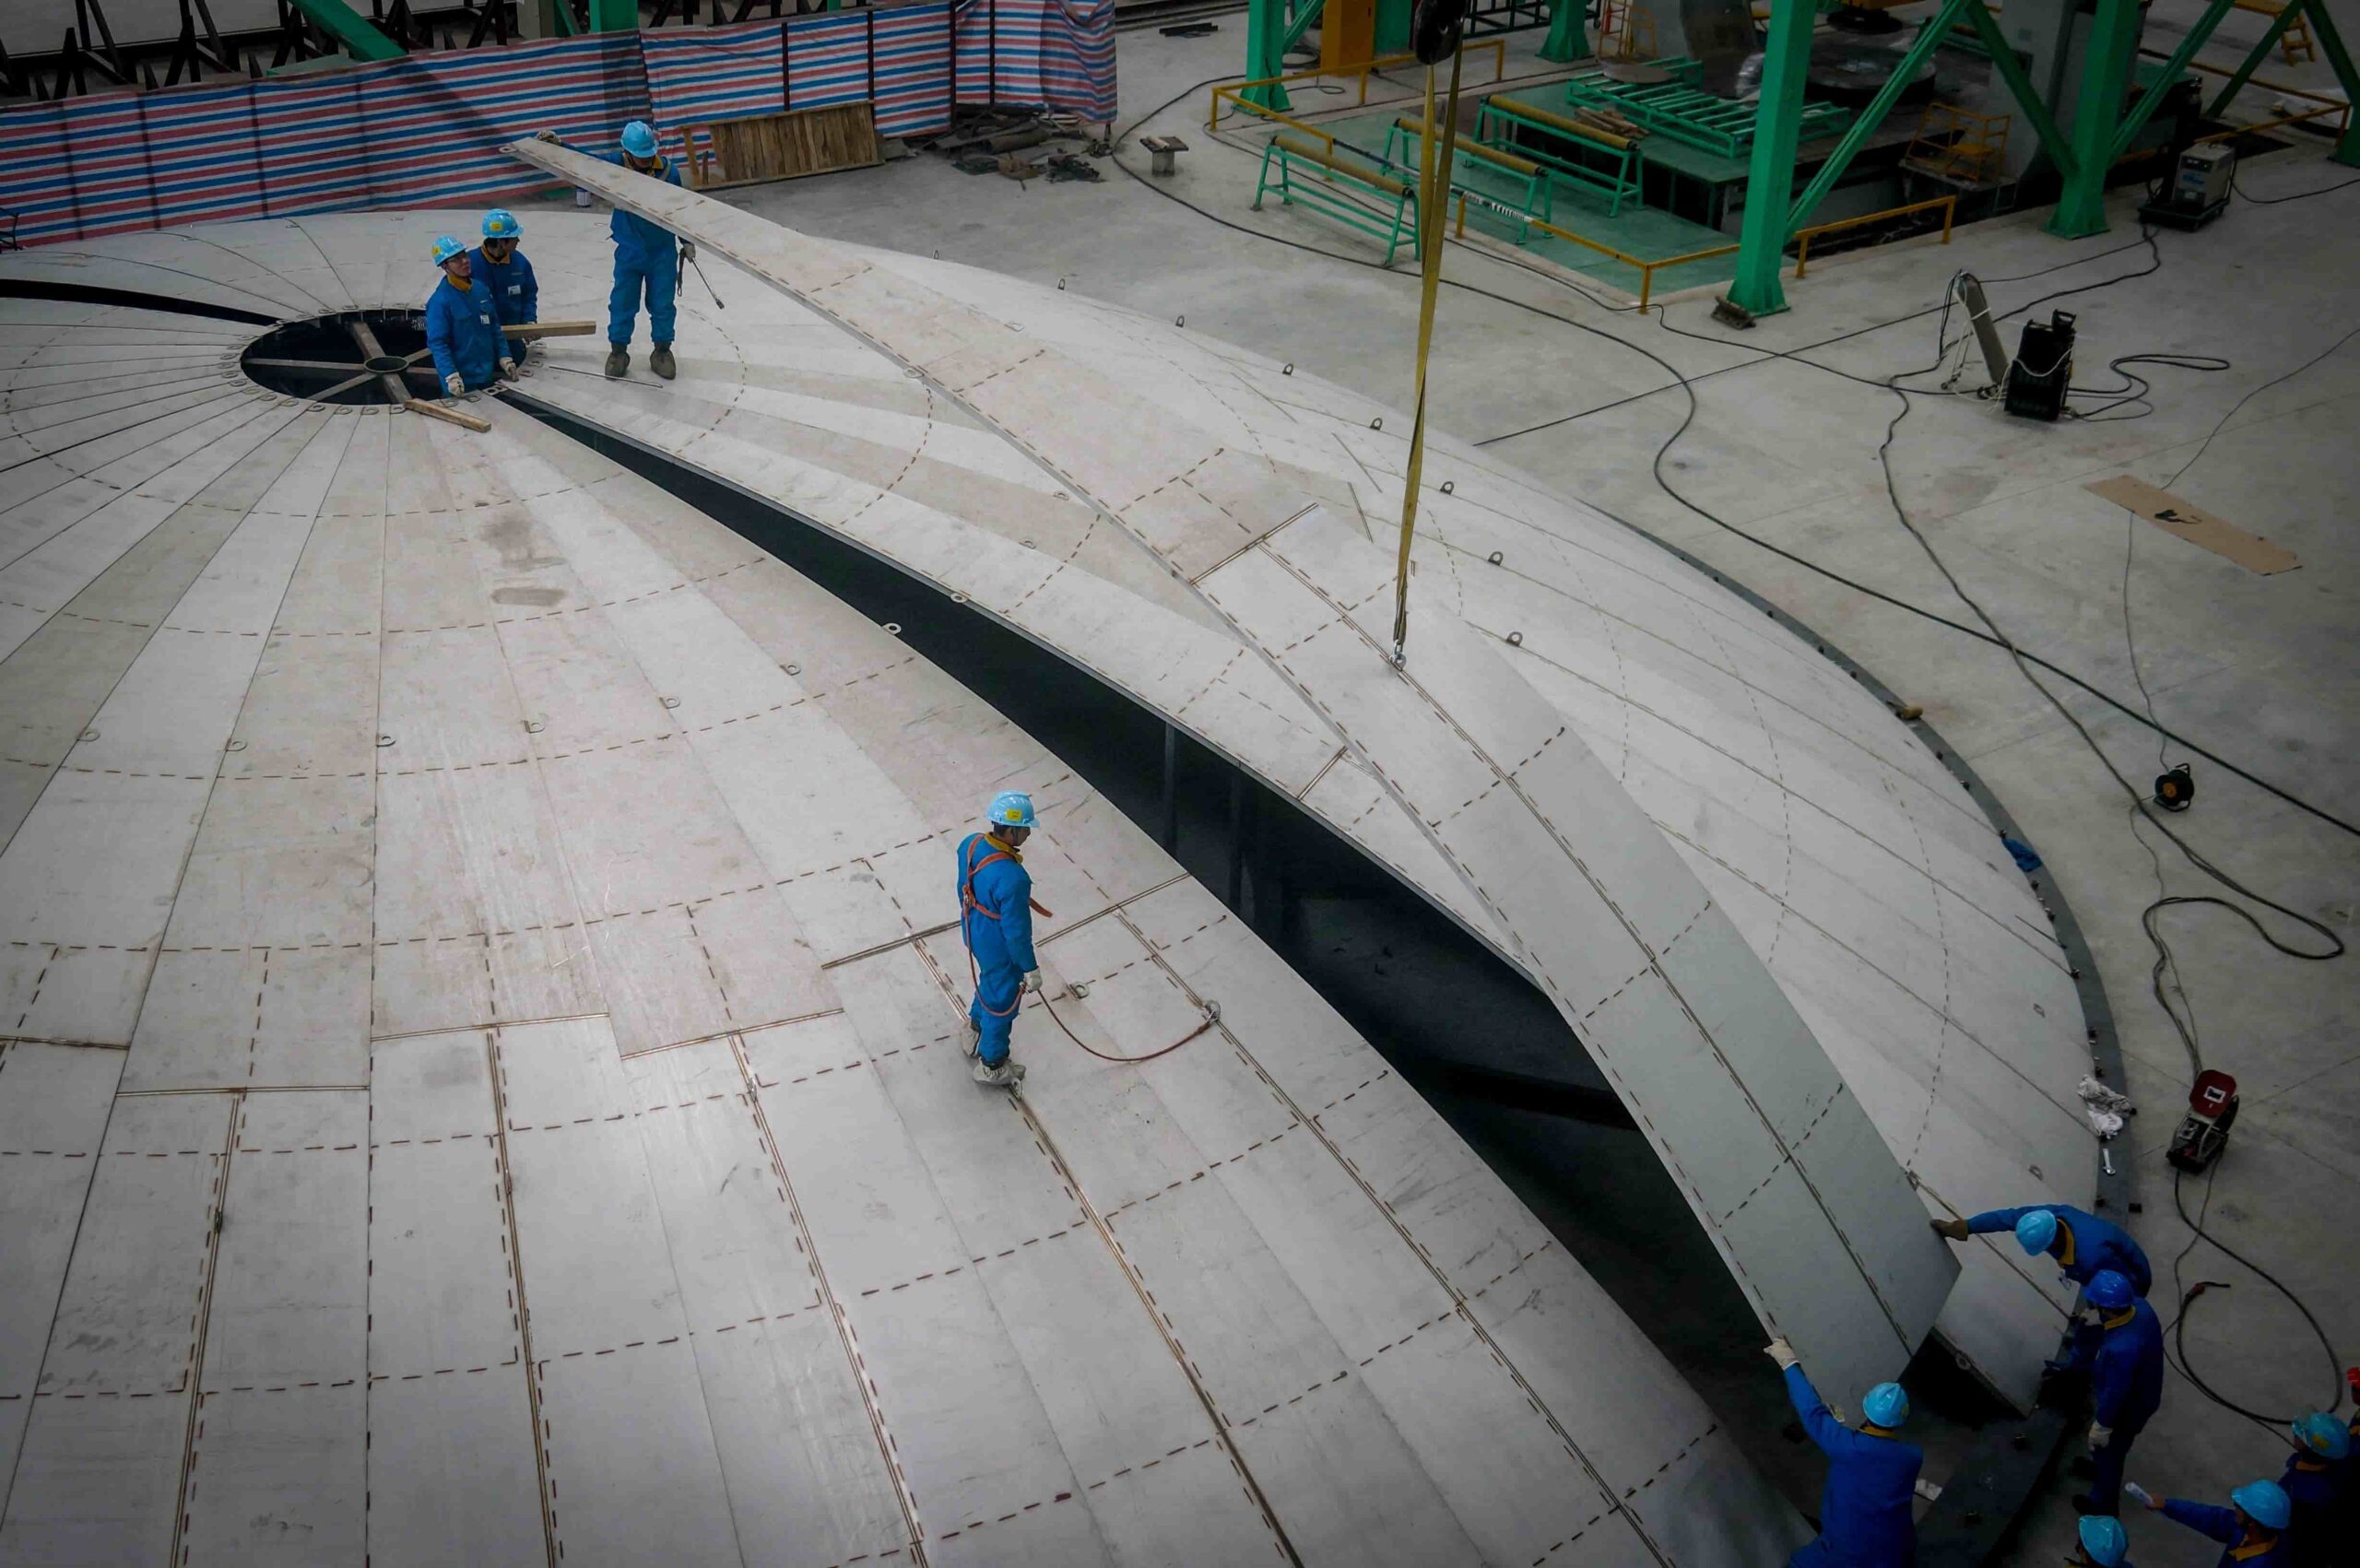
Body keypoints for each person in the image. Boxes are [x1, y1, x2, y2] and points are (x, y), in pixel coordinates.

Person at [532, 120, 692, 382]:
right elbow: (585, 162)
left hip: (662, 251)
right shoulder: (614, 167)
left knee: (663, 304)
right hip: (629, 251)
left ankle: (662, 350)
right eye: (640, 156)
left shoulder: (668, 172)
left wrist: (687, 240)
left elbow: (680, 209)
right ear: (627, 153)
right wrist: (559, 146)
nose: (645, 160)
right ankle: (619, 351)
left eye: (649, 155)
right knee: (622, 303)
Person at [1764, 1338, 1921, 1568]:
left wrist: (1788, 1364)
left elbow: (1812, 1412)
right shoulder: (1912, 1457)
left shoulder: (1847, 1447)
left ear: (1866, 1409)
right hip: (1897, 1550)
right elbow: (1875, 1454)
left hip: (1850, 1551)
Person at [958, 791, 1046, 1088]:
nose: (1027, 834)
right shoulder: (1013, 878)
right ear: (1010, 831)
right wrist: (1030, 968)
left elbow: (963, 887)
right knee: (1001, 1000)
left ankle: (974, 1028)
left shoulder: (970, 845)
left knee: (989, 980)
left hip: (973, 928)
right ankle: (992, 1064)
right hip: (998, 945)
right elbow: (1017, 932)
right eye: (1024, 829)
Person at [2067, 1270, 2165, 1516]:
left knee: (2110, 1453)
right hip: (2146, 1392)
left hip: (2128, 1409)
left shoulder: (2121, 1350)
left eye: (2096, 1304)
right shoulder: (2141, 1308)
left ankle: (2103, 1507)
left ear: (2107, 1308)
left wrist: (2103, 1424)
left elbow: (2116, 1392)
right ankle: (2098, 1467)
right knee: (2107, 1453)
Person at [1931, 1203, 2154, 1299]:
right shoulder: (2049, 1216)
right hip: (2117, 1257)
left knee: (2097, 1327)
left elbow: (2121, 1286)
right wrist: (1964, 1227)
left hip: (2134, 1278)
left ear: (2051, 1245)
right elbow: (2006, 1218)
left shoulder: (2089, 1259)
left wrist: (2104, 1308)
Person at [424, 235, 513, 398]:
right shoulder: (440, 302)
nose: (465, 261)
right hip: (460, 381)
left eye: (465, 255)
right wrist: (450, 375)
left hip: (486, 373)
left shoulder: (480, 289)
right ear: (445, 266)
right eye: (457, 259)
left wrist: (504, 356)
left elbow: (494, 327)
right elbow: (438, 343)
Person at [2142, 1480, 2293, 1568]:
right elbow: (2209, 1517)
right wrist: (2166, 1505)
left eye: (2239, 1507)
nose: (2235, 1508)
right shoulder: (2251, 1532)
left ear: (2253, 1524)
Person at [2279, 1410, 2349, 1566]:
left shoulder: (2306, 1494)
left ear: (2308, 1446)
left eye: (2301, 1433)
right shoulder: (2330, 1468)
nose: (2295, 1433)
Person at [470, 209, 537, 362]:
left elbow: (529, 295)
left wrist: (529, 321)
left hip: (512, 339)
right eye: (514, 237)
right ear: (501, 241)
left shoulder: (520, 263)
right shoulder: (470, 265)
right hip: (481, 341)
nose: (518, 241)